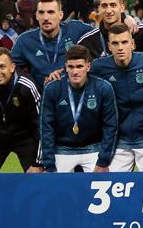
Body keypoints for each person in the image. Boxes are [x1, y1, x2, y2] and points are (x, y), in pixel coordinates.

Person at [89, 24, 143, 171]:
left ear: (133, 44)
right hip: (119, 140)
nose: (120, 48)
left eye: (124, 42)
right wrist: (58, 74)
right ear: (109, 46)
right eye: (115, 43)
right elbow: (77, 74)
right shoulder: (99, 67)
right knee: (114, 183)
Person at [39, 45, 118, 173]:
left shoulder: (103, 87)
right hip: (62, 149)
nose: (75, 71)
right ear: (66, 67)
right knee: (52, 185)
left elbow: (110, 126)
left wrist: (103, 161)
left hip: (93, 148)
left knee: (102, 183)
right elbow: (46, 128)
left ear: (88, 66)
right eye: (71, 67)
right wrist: (49, 164)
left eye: (79, 66)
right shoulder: (52, 88)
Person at [9, 0, 94, 92]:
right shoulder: (25, 40)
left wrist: (65, 72)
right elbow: (9, 67)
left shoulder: (76, 29)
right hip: (42, 95)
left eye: (50, 12)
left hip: (75, 93)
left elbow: (100, 41)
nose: (46, 17)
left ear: (60, 15)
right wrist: (30, 83)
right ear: (36, 15)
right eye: (41, 12)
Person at [78, 0, 143, 57]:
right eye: (104, 6)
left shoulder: (141, 32)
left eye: (113, 5)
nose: (108, 11)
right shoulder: (88, 42)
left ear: (122, 8)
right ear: (99, 9)